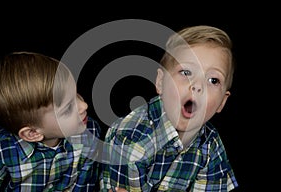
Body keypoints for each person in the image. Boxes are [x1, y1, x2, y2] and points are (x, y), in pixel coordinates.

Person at [101, 25, 239, 191]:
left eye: (213, 81)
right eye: (186, 72)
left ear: (222, 102)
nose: (197, 86)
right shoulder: (130, 138)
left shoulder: (210, 144)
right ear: (160, 82)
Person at [0, 51, 101, 191]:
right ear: (32, 133)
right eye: (68, 108)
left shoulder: (89, 131)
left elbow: (85, 185)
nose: (84, 106)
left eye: (77, 94)